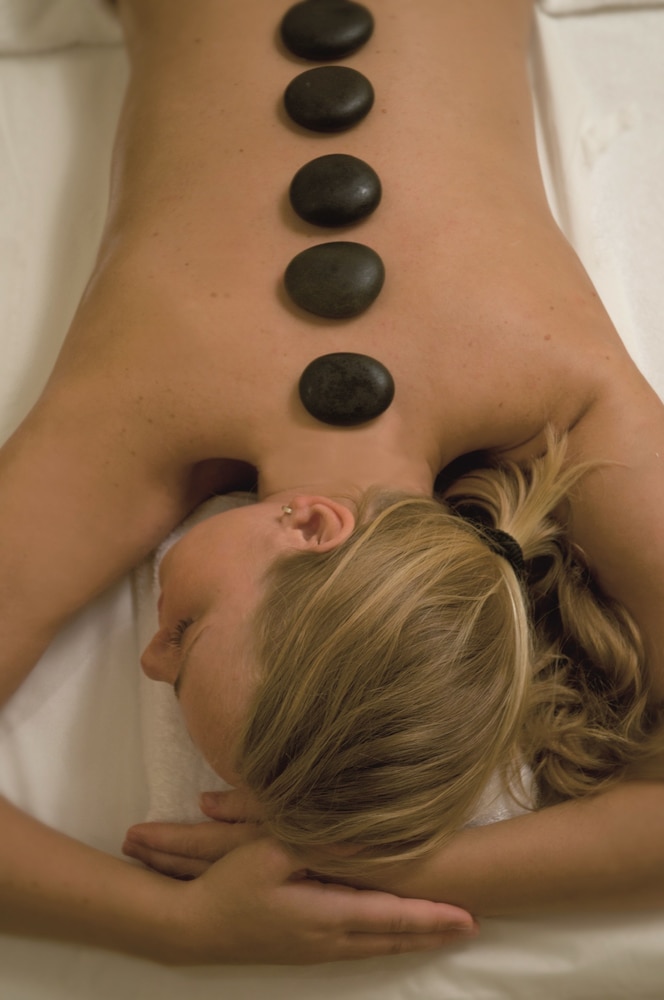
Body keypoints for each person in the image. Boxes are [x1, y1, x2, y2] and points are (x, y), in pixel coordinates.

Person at [1, 0, 664, 964]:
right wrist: (180, 925)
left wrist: (358, 863)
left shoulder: (563, 397)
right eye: (187, 637)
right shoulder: (135, 416)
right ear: (310, 526)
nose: (149, 657)